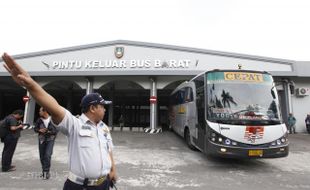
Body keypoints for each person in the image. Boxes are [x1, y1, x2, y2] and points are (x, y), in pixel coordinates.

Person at [2, 53, 116, 189]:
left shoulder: (103, 128)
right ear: (92, 108)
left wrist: (112, 168)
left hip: (104, 184)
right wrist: (31, 85)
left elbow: (108, 149)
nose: (105, 110)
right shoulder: (75, 124)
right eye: (102, 106)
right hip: (80, 186)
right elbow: (54, 107)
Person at [34, 107, 58, 180]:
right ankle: (44, 171)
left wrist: (48, 131)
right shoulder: (39, 120)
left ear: (45, 112)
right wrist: (39, 130)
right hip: (41, 139)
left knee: (47, 155)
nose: (39, 112)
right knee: (42, 156)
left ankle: (46, 172)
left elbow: (56, 130)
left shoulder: (53, 119)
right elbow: (35, 129)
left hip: (50, 139)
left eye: (40, 111)